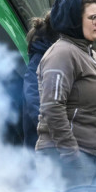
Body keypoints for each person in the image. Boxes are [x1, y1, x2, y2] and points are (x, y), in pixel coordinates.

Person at [36, 0, 96, 188]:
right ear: (75, 21)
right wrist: (70, 153)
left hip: (94, 156)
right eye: (93, 17)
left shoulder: (89, 53)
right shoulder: (62, 53)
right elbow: (52, 106)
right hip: (69, 158)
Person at [22, 11, 57, 146]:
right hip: (42, 147)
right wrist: (57, 134)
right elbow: (34, 98)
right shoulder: (41, 59)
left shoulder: (45, 54)